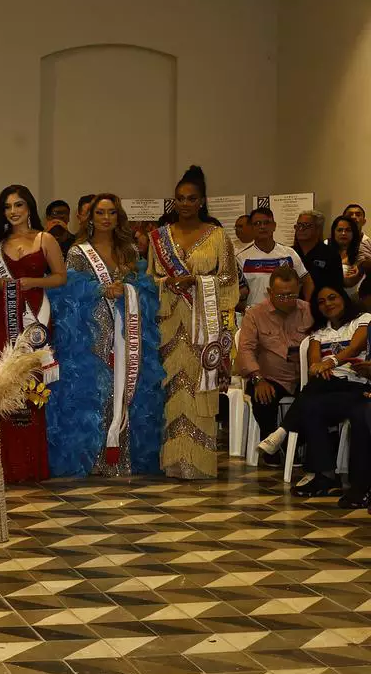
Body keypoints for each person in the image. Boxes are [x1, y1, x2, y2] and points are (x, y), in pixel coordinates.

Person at [47, 194, 165, 477]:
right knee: (95, 389)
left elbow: (146, 287)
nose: (106, 218)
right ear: (90, 217)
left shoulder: (129, 250)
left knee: (125, 385)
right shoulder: (78, 252)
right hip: (92, 331)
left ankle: (123, 456)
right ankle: (93, 457)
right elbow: (68, 291)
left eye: (111, 212)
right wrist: (100, 290)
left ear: (118, 217)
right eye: (100, 213)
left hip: (127, 329)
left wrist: (128, 290)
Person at [148, 165, 238, 479]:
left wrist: (197, 281)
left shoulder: (218, 236)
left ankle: (199, 461)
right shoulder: (159, 238)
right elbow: (150, 279)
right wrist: (166, 283)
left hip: (204, 324)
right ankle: (173, 460)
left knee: (200, 390)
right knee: (172, 387)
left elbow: (229, 279)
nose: (185, 203)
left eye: (191, 198)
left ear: (201, 201)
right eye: (180, 198)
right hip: (170, 322)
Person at [0, 184, 67, 483]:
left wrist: (32, 281)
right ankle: (4, 463)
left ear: (29, 207)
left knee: (32, 383)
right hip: (0, 315)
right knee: (3, 385)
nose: (13, 211)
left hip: (34, 315)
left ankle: (31, 464)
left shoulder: (45, 239)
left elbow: (60, 277)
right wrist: (4, 285)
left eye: (19, 205)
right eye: (7, 206)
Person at [256, 285, 370, 502]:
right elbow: (314, 362)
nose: (328, 304)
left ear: (344, 298)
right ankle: (324, 475)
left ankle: (284, 433)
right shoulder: (319, 332)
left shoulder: (362, 320)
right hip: (328, 388)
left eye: (332, 297)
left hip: (356, 385)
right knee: (312, 404)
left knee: (311, 401)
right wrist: (320, 368)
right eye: (321, 302)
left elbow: (355, 348)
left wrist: (331, 362)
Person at [234, 266, 314, 466]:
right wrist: (257, 378)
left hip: (303, 377)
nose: (287, 300)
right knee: (263, 398)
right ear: (270, 292)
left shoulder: (309, 311)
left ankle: (288, 444)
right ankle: (273, 445)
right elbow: (246, 349)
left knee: (317, 400)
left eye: (291, 295)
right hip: (269, 376)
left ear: (299, 289)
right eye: (281, 295)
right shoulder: (255, 314)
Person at [236, 207, 309, 308]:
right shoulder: (241, 258)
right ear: (252, 228)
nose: (262, 227)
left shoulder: (289, 253)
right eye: (257, 223)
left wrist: (307, 307)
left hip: (286, 313)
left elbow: (307, 281)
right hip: (256, 313)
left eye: (266, 223)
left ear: (274, 226)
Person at [293, 209, 343, 294]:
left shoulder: (330, 254)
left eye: (306, 225)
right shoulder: (290, 253)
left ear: (318, 229)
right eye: (299, 225)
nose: (301, 229)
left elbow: (336, 287)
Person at [329, 215, 365, 298]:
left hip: (354, 297)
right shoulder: (325, 247)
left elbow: (349, 282)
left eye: (348, 230)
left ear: (353, 233)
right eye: (340, 230)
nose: (343, 233)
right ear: (333, 232)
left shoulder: (361, 251)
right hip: (329, 296)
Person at [342, 203, 371, 273]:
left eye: (358, 215)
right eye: (350, 215)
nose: (354, 217)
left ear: (364, 222)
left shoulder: (369, 245)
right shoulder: (328, 243)